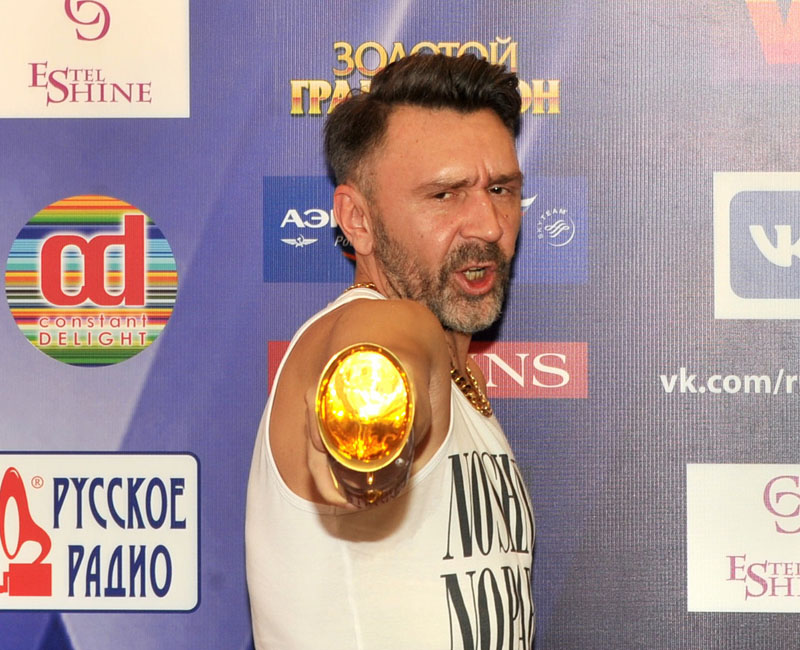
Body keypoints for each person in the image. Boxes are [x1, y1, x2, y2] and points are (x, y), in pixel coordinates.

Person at [246, 53, 535, 649]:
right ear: (357, 219)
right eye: (445, 195)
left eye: (500, 189)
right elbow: (382, 347)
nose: (487, 224)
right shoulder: (384, 324)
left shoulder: (461, 378)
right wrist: (366, 435)